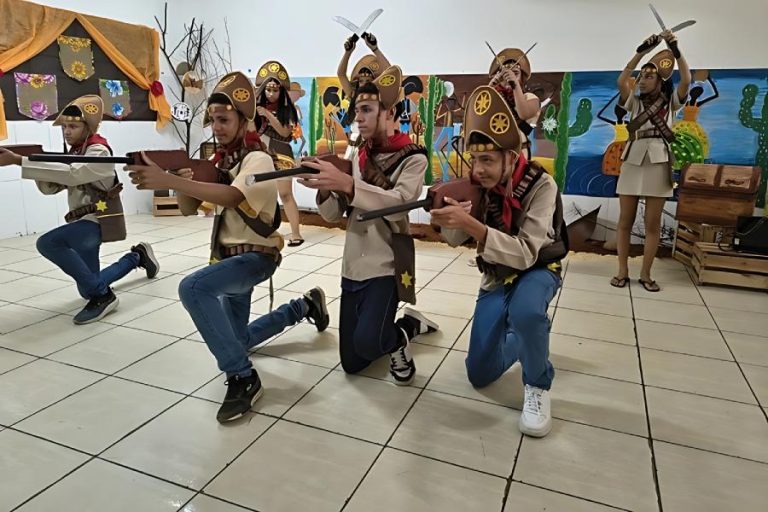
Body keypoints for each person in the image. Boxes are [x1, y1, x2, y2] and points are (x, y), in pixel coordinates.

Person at [125, 72, 329, 423]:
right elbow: (188, 209)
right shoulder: (222, 160)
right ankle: (303, 306)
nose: (217, 128)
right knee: (239, 340)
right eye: (214, 120)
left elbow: (233, 196)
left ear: (244, 120)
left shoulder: (258, 159)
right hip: (228, 258)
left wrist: (168, 178)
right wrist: (181, 181)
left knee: (193, 288)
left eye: (224, 120)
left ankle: (242, 376)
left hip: (255, 257)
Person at [431, 85, 568, 437]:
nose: (478, 170)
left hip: (538, 269)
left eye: (488, 160)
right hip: (495, 275)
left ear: (512, 156)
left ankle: (537, 384)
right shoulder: (479, 185)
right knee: (479, 373)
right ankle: (525, 340)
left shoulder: (542, 185)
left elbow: (525, 252)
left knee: (527, 312)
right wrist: (451, 217)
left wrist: (472, 225)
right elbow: (454, 240)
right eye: (474, 160)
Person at [298, 65, 438, 385]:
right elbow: (333, 215)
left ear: (390, 114)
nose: (358, 118)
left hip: (386, 262)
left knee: (370, 343)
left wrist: (349, 184)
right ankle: (408, 324)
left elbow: (398, 206)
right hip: (353, 262)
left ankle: (401, 336)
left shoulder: (413, 157)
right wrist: (325, 187)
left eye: (367, 110)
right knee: (353, 363)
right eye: (357, 110)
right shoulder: (356, 154)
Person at [0, 95, 158, 325]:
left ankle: (104, 296)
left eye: (73, 126)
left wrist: (21, 161)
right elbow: (50, 188)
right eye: (64, 127)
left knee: (48, 243)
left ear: (88, 127)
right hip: (81, 221)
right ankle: (137, 257)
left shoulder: (99, 151)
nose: (66, 131)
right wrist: (36, 163)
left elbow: (74, 174)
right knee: (87, 289)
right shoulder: (76, 152)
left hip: (98, 220)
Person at [612, 30, 691, 292]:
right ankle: (622, 270)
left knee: (652, 224)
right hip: (632, 159)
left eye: (649, 76)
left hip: (658, 161)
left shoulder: (671, 102)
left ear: (660, 81)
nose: (642, 80)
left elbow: (687, 79)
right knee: (625, 221)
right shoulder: (634, 102)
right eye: (642, 75)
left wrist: (675, 50)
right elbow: (622, 79)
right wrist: (641, 51)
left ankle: (646, 274)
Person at [254, 60, 304, 247]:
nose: (271, 93)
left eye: (275, 90)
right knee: (261, 194)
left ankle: (296, 233)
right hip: (261, 152)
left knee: (285, 194)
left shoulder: (288, 109)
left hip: (282, 151)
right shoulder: (256, 108)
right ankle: (262, 231)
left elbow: (284, 132)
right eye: (268, 89)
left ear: (281, 91)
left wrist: (267, 115)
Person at [488, 47, 542, 160]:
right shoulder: (494, 99)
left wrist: (514, 84)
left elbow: (523, 114)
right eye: (504, 75)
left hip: (518, 154)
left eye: (515, 73)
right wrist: (490, 87)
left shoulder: (530, 98)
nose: (508, 78)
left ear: (521, 77)